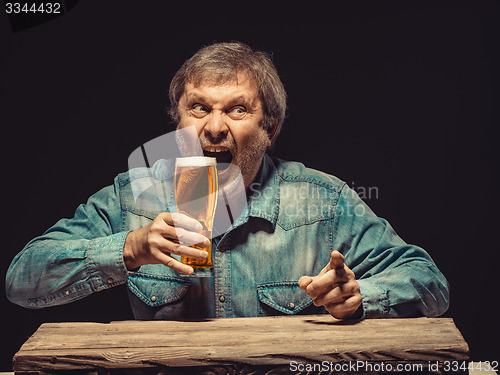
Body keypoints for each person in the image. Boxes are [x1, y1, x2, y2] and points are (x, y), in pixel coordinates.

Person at [6, 42, 449, 320]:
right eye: (199, 108)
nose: (214, 128)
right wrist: (128, 248)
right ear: (177, 125)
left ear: (270, 129)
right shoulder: (135, 193)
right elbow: (22, 281)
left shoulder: (323, 199)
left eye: (237, 109)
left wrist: (360, 297)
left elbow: (429, 282)